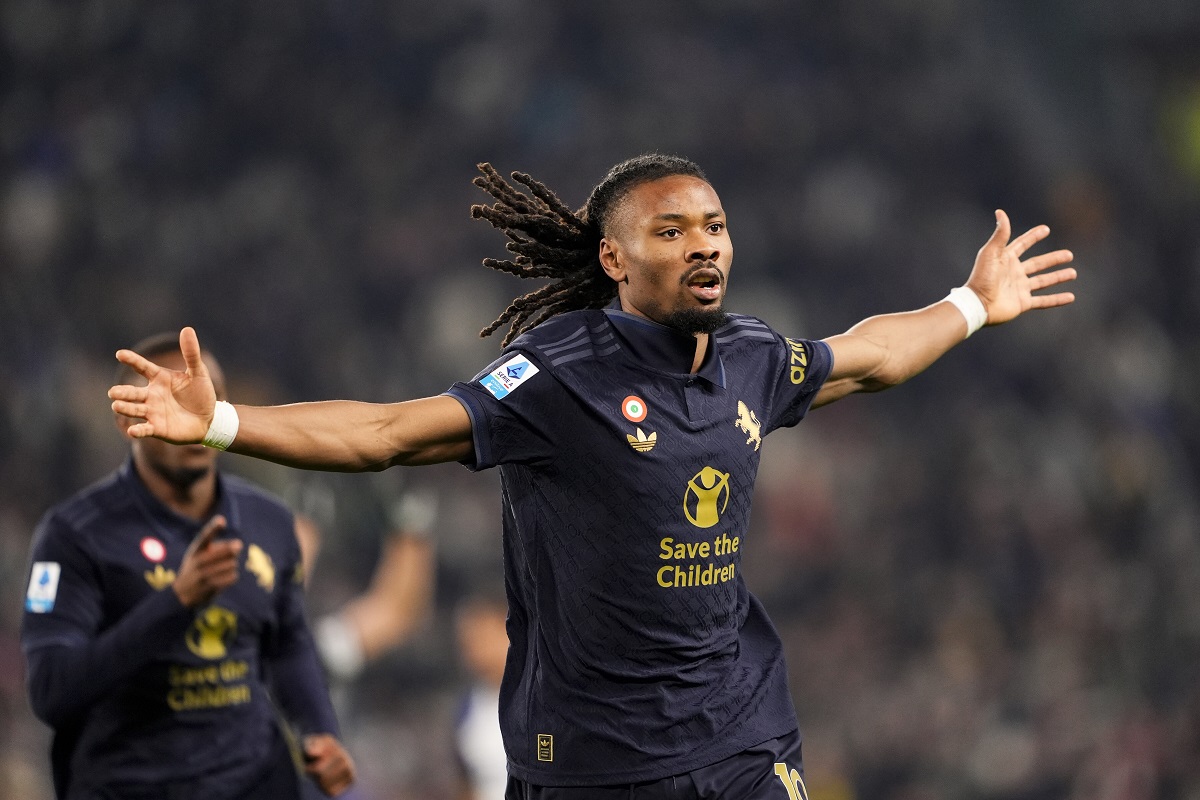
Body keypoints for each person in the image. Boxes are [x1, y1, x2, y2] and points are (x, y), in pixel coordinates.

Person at [107, 154, 1076, 799]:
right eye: (672, 230)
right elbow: (393, 429)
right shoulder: (558, 377)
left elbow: (869, 354)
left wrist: (971, 302)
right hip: (591, 764)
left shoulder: (749, 356)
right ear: (614, 258)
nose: (704, 242)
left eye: (715, 224)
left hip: (740, 739)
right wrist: (225, 422)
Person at [23, 333, 356, 800]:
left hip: (254, 782)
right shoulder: (75, 536)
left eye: (210, 397)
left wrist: (318, 731)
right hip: (128, 787)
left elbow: (289, 642)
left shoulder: (270, 521)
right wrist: (176, 603)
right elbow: (52, 691)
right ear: (128, 418)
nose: (196, 412)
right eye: (174, 399)